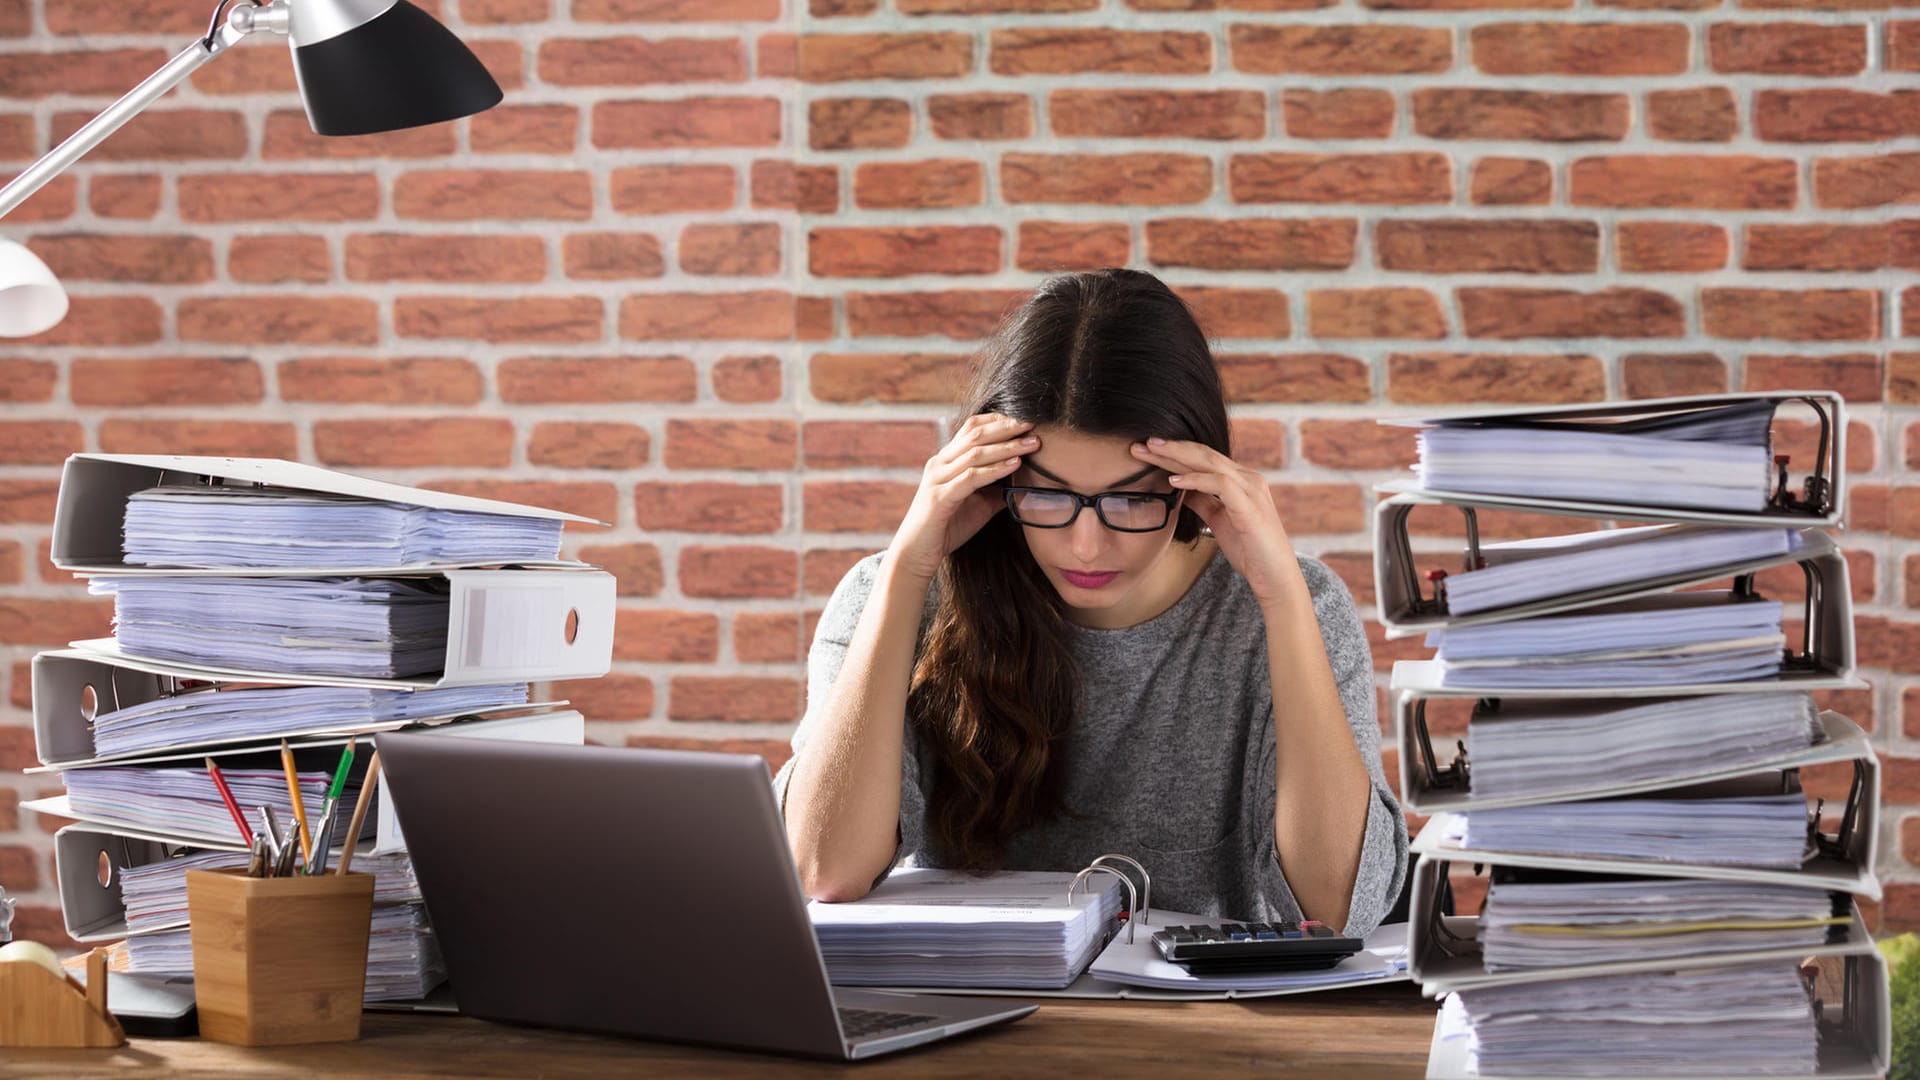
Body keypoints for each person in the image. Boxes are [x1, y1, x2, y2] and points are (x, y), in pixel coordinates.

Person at [773, 268, 1408, 936]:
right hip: (956, 1022)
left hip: (1208, 1034)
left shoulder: (1289, 609)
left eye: (1132, 498)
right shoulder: (890, 596)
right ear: (993, 480)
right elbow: (825, 870)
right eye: (1047, 496)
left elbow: (1341, 909)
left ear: (1194, 483)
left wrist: (1282, 597)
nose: (1084, 546)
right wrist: (907, 570)